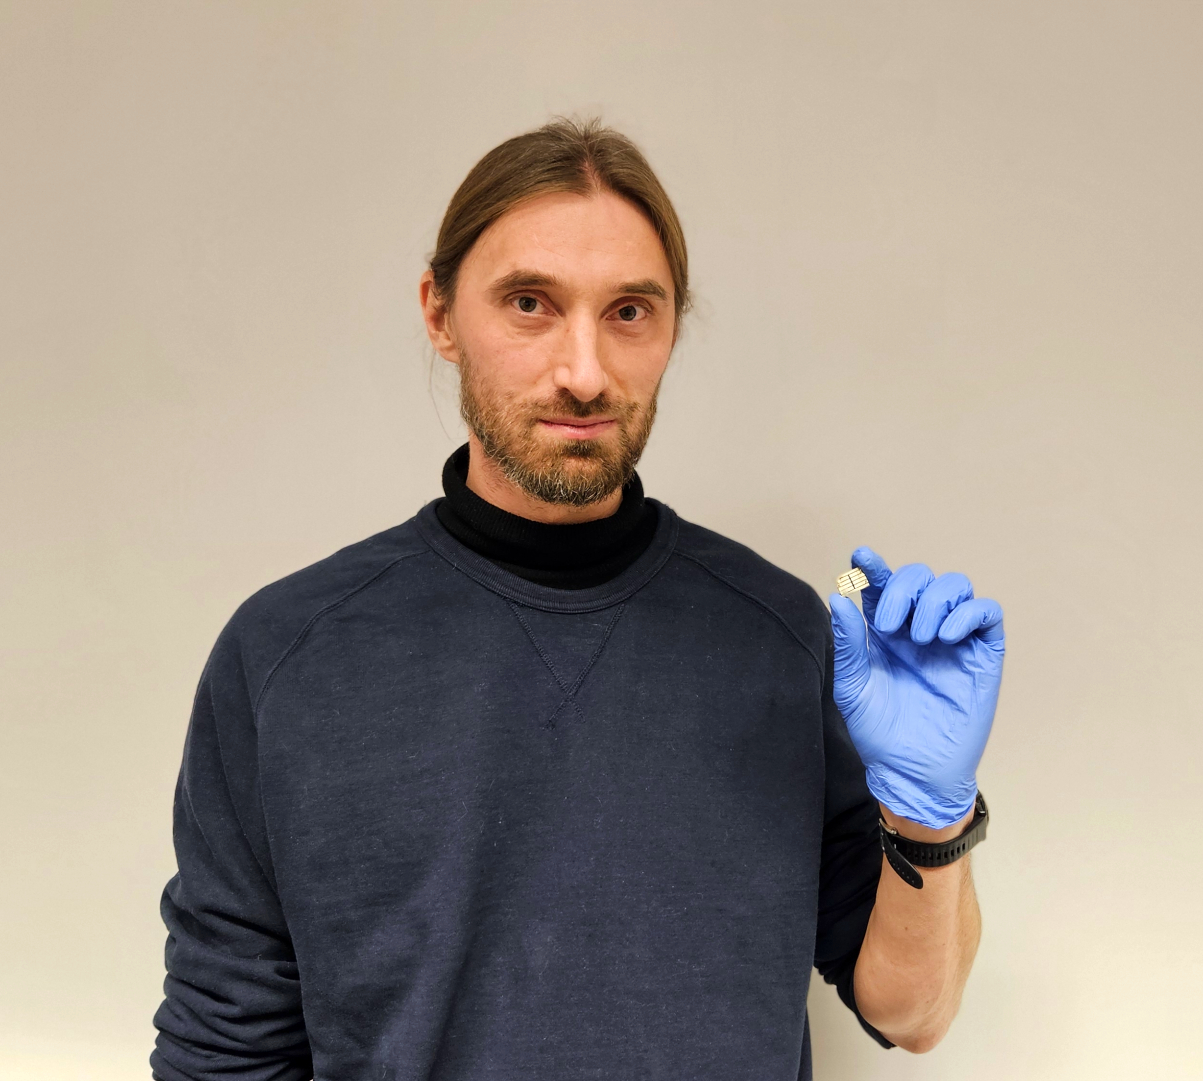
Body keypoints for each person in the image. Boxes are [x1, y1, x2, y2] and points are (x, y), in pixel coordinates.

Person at [151, 117, 1005, 1081]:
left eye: (629, 311)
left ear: (672, 328)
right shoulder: (287, 654)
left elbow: (910, 1012)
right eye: (530, 304)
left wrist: (930, 821)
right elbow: (222, 1055)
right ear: (439, 314)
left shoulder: (779, 636)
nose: (585, 372)